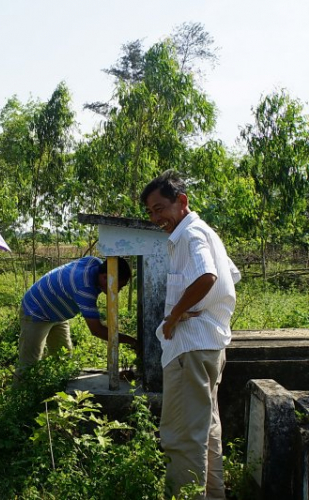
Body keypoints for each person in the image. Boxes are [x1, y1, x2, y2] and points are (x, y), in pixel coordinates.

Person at [141, 170, 240, 500]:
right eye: (151, 212)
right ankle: (212, 494)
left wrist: (174, 315)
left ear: (181, 202)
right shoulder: (205, 232)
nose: (157, 218)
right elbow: (230, 274)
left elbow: (208, 276)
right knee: (206, 429)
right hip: (210, 345)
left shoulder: (189, 235)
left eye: (160, 209)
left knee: (183, 434)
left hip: (190, 347)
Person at [14, 256, 137, 382]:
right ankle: (18, 396)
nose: (118, 291)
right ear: (105, 277)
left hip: (58, 313)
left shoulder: (93, 262)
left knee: (63, 358)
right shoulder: (84, 288)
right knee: (29, 363)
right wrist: (132, 341)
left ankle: (52, 389)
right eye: (118, 286)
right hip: (37, 310)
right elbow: (96, 330)